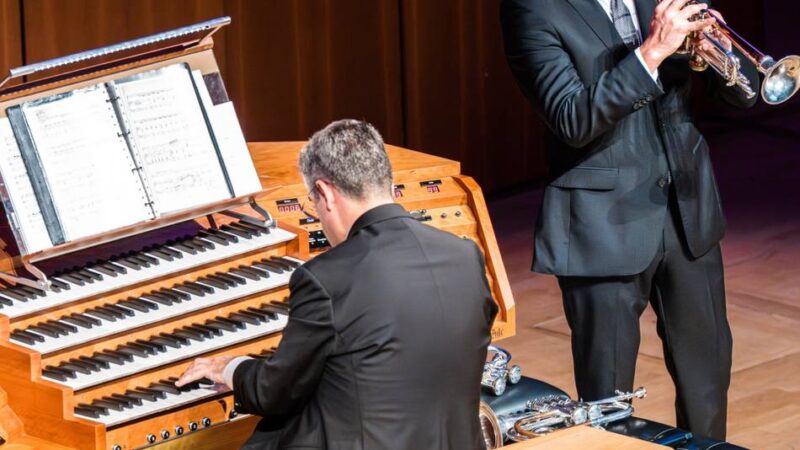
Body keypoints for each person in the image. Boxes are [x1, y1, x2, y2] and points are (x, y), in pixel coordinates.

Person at [500, 0, 759, 440]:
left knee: (708, 381)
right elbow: (572, 118)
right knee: (608, 404)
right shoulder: (533, 9)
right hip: (601, 226)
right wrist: (653, 51)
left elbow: (744, 91)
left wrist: (717, 47)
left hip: (687, 214)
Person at [177, 119, 498, 449]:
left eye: (312, 203)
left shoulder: (325, 278)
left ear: (326, 193)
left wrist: (229, 366)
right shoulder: (464, 255)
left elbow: (274, 392)